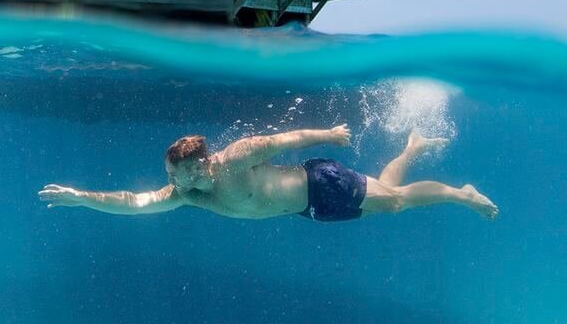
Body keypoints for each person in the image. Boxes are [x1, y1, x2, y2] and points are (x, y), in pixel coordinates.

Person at [39, 125, 498, 222]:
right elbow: (136, 201)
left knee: (395, 202)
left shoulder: (233, 158)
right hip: (310, 209)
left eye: (177, 175)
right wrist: (82, 196)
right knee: (392, 195)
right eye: (171, 178)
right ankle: (413, 146)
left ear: (199, 165)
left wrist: (331, 134)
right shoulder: (192, 195)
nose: (172, 185)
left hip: (320, 182)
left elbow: (281, 141)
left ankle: (462, 193)